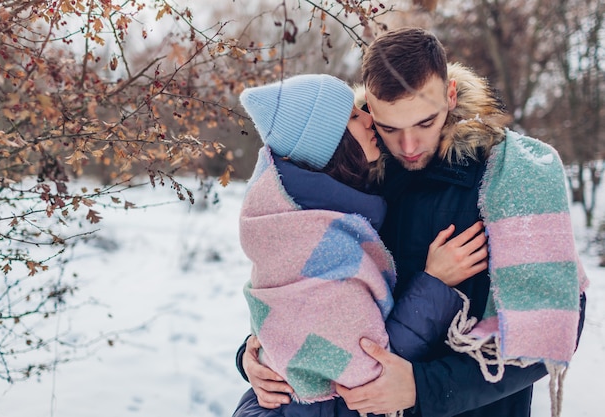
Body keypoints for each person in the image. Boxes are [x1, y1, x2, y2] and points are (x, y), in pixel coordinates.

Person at [238, 29, 588, 417]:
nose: (408, 146)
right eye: (390, 128)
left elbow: (554, 328)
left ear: (450, 95)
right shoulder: (352, 175)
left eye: (425, 122)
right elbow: (301, 292)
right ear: (369, 109)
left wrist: (423, 388)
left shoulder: (511, 174)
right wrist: (254, 354)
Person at [234, 73, 488, 417]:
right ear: (330, 142)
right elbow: (366, 370)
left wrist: (253, 354)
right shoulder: (315, 237)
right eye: (354, 116)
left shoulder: (310, 213)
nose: (368, 117)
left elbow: (299, 329)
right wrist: (435, 284)